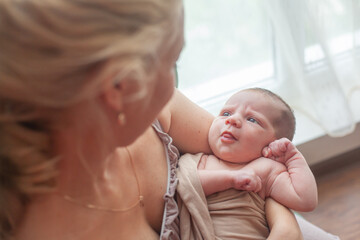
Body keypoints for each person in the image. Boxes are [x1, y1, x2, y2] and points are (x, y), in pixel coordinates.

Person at [0, 0, 339, 240]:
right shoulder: (47, 226)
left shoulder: (161, 115)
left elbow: (247, 164)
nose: (175, 87)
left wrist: (285, 226)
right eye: (172, 64)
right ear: (120, 89)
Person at [176, 88, 325, 239]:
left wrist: (294, 159)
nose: (232, 120)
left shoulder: (266, 169)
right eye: (226, 113)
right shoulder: (201, 159)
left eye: (252, 119)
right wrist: (231, 179)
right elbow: (185, 185)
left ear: (273, 142)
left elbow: (305, 200)